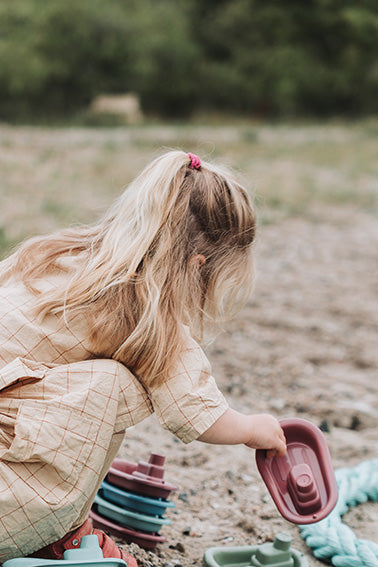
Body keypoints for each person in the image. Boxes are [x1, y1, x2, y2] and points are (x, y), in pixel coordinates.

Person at [0, 151, 286, 566]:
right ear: (196, 266)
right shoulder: (147, 318)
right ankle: (56, 532)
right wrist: (253, 428)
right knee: (115, 383)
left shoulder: (49, 256)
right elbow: (197, 413)